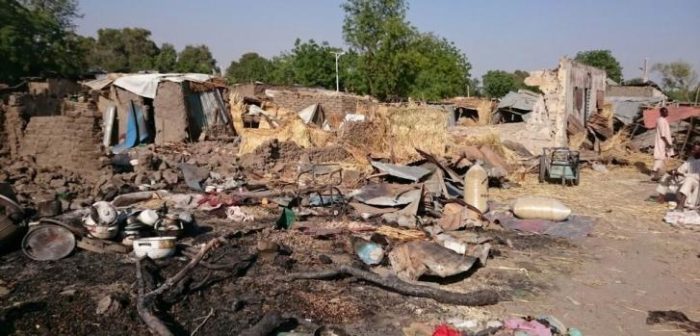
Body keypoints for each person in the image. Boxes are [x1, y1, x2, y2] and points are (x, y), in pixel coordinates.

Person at [657, 142, 700, 210]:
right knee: (668, 175)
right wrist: (675, 171)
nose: (692, 151)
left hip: (696, 184)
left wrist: (683, 174)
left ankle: (681, 204)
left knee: (689, 179)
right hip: (687, 179)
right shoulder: (691, 159)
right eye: (692, 149)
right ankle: (661, 197)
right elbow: (682, 168)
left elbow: (698, 176)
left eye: (695, 150)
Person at [652, 107, 674, 181]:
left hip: (664, 142)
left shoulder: (663, 120)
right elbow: (663, 134)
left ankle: (658, 174)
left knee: (664, 158)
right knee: (660, 157)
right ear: (661, 113)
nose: (666, 113)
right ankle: (654, 174)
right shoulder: (661, 121)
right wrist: (667, 143)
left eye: (667, 112)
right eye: (665, 112)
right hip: (662, 142)